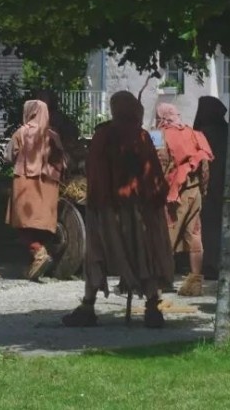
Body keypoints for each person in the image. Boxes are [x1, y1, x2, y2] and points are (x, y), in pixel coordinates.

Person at [62, 91, 173, 328]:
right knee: (144, 255)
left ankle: (88, 307)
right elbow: (154, 175)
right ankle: (153, 307)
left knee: (97, 253)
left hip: (108, 210)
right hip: (140, 210)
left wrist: (98, 202)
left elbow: (95, 171)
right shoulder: (142, 137)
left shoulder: (105, 135)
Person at [154, 103, 213, 296]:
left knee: (166, 236)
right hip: (194, 191)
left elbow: (158, 165)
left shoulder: (158, 135)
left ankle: (163, 280)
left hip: (174, 193)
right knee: (195, 234)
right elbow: (204, 166)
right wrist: (202, 189)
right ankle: (195, 282)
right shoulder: (194, 133)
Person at [5, 100, 66, 281]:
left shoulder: (22, 132)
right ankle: (38, 259)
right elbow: (62, 160)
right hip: (49, 185)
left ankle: (39, 253)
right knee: (42, 226)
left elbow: (9, 156)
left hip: (26, 183)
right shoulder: (53, 136)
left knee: (22, 224)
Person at [193, 95, 229, 276]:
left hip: (208, 184)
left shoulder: (202, 134)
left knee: (209, 226)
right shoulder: (228, 131)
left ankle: (211, 264)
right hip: (226, 182)